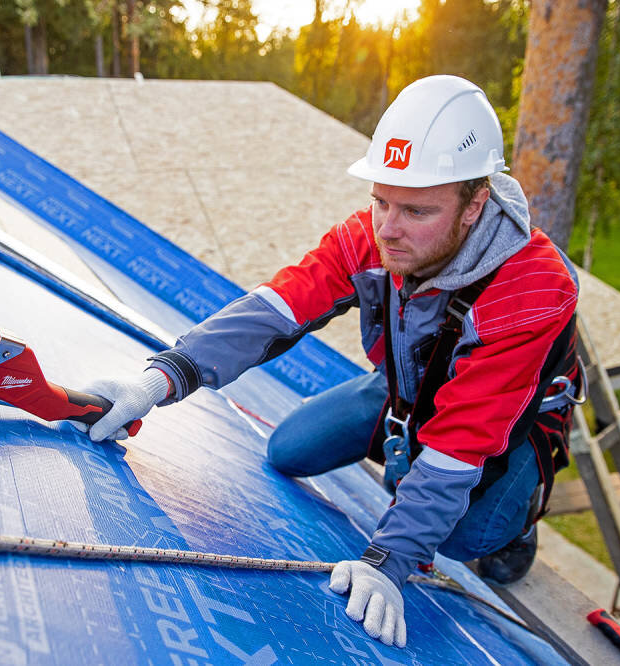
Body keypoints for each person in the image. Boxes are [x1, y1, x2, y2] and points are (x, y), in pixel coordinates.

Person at [76, 75, 580, 648]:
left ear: (475, 204)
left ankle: (512, 533)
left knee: (462, 538)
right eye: (380, 200)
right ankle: (408, 438)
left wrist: (390, 560)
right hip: (406, 389)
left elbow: (462, 442)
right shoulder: (377, 234)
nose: (387, 230)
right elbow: (276, 308)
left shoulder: (534, 289)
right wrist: (162, 375)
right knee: (289, 450)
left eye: (415, 210)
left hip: (508, 427)